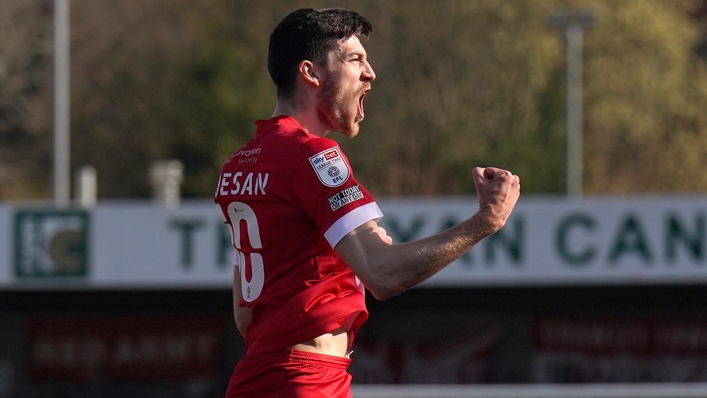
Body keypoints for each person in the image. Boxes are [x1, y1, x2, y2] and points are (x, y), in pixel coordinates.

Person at [214, 7, 520, 398]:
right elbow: (384, 273)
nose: (370, 72)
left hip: (259, 376)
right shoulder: (313, 155)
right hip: (305, 381)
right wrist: (486, 220)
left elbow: (246, 313)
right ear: (310, 72)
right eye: (355, 59)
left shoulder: (238, 166)